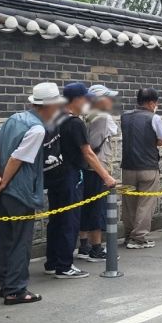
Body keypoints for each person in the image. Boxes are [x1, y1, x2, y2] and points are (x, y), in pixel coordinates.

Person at [0, 83, 64, 304]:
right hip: (19, 191)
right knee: (21, 240)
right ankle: (16, 290)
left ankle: (6, 285)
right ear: (48, 106)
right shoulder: (37, 128)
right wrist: (4, 182)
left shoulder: (13, 119)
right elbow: (17, 158)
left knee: (4, 238)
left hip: (2, 192)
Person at [44, 82, 117, 278]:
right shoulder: (75, 122)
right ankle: (65, 266)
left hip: (54, 175)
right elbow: (88, 153)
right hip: (71, 176)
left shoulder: (55, 119)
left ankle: (52, 261)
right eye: (85, 98)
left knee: (56, 219)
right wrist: (107, 176)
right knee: (69, 220)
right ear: (77, 99)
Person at [120, 88, 162, 249]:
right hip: (148, 166)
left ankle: (128, 235)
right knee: (146, 204)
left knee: (129, 204)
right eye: (156, 103)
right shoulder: (154, 118)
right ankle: (138, 237)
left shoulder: (124, 116)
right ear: (151, 102)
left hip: (127, 167)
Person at [77, 85, 119, 262]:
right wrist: (105, 175)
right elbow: (93, 145)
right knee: (96, 209)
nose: (110, 101)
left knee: (85, 207)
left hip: (84, 168)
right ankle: (96, 248)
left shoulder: (84, 114)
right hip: (96, 168)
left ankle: (83, 245)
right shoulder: (101, 117)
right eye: (107, 97)